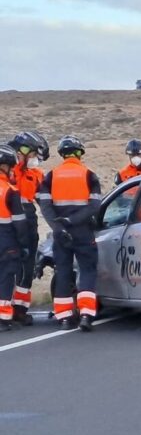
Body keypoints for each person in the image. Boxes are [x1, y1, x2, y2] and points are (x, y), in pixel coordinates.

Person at [37, 135, 102, 331]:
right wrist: (73, 220)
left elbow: (45, 206)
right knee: (88, 271)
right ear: (80, 153)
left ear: (62, 154)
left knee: (63, 272)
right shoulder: (89, 174)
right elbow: (94, 206)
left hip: (61, 233)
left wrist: (59, 226)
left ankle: (65, 318)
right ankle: (86, 315)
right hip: (83, 231)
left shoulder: (51, 176)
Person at [8, 131, 48, 325]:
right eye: (33, 155)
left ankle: (20, 310)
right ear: (22, 152)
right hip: (7, 226)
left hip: (29, 225)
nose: (34, 160)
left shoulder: (37, 175)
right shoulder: (7, 171)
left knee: (27, 268)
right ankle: (6, 309)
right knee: (8, 269)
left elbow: (45, 203)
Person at [0, 144, 32, 332]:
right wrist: (24, 244)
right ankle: (3, 318)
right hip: (6, 240)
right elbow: (20, 222)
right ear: (5, 166)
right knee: (6, 277)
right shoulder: (10, 190)